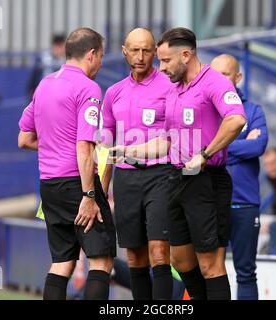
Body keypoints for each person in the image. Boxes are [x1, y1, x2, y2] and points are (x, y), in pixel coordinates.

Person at [110, 27, 246, 300]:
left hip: (207, 182)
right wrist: (128, 150)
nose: (160, 68)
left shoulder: (214, 82)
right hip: (176, 179)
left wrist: (205, 155)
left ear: (186, 55)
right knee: (180, 260)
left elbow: (236, 120)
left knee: (210, 264)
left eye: (166, 60)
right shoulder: (174, 91)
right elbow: (167, 142)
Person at [18, 28, 116, 300]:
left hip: (49, 186)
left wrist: (54, 145)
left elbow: (24, 138)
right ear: (92, 54)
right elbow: (84, 146)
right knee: (101, 261)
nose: (100, 63)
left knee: (62, 263)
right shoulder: (88, 88)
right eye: (101, 56)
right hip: (77, 184)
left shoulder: (45, 84)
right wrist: (89, 195)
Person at [100, 28, 175, 300]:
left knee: (158, 251)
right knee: (134, 255)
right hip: (126, 179)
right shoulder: (114, 93)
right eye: (135, 50)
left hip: (161, 176)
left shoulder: (170, 87)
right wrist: (99, 193)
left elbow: (173, 138)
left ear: (155, 52)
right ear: (124, 51)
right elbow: (105, 148)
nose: (141, 56)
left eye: (146, 50)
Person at [211, 54, 269, 300]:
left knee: (246, 272)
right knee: (209, 270)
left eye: (225, 74)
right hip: (211, 203)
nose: (219, 79)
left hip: (245, 204)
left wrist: (216, 148)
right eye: (215, 74)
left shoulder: (253, 110)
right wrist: (240, 143)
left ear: (238, 77)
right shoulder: (206, 110)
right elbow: (196, 148)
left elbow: (258, 147)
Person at [27, 34, 67, 98]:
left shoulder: (67, 61)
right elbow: (33, 81)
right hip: (43, 95)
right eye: (60, 46)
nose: (63, 50)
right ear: (54, 46)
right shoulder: (42, 59)